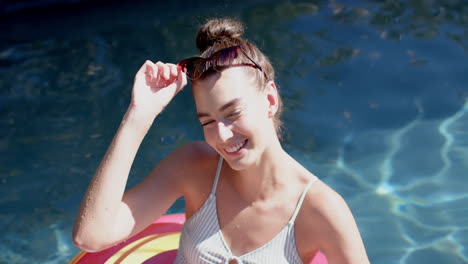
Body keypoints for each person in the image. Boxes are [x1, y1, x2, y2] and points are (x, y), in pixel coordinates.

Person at [72, 17, 370, 264]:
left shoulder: (320, 210)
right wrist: (139, 115)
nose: (222, 135)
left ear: (269, 99)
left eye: (233, 113)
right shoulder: (193, 168)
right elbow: (91, 236)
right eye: (208, 121)